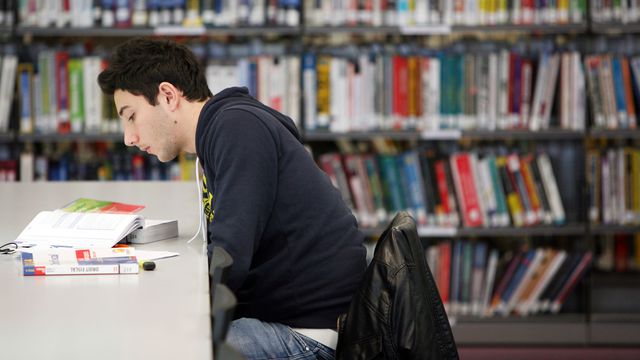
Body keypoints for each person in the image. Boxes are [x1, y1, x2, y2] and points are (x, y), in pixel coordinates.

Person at [98, 38, 366, 359]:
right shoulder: (220, 130)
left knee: (156, 348)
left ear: (168, 96)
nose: (129, 138)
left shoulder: (236, 129)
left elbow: (229, 259)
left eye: (131, 116)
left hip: (304, 333)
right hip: (288, 314)